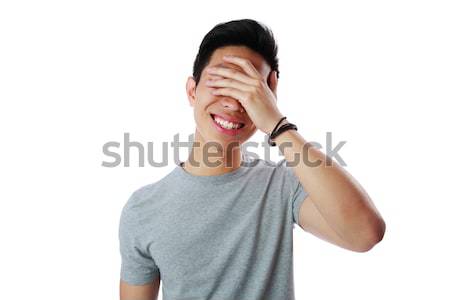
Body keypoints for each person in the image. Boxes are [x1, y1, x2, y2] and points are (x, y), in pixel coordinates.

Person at [119, 18, 386, 300]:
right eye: (222, 82)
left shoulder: (283, 185)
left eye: (248, 89)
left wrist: (277, 124)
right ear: (192, 90)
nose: (233, 104)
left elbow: (365, 233)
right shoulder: (142, 209)